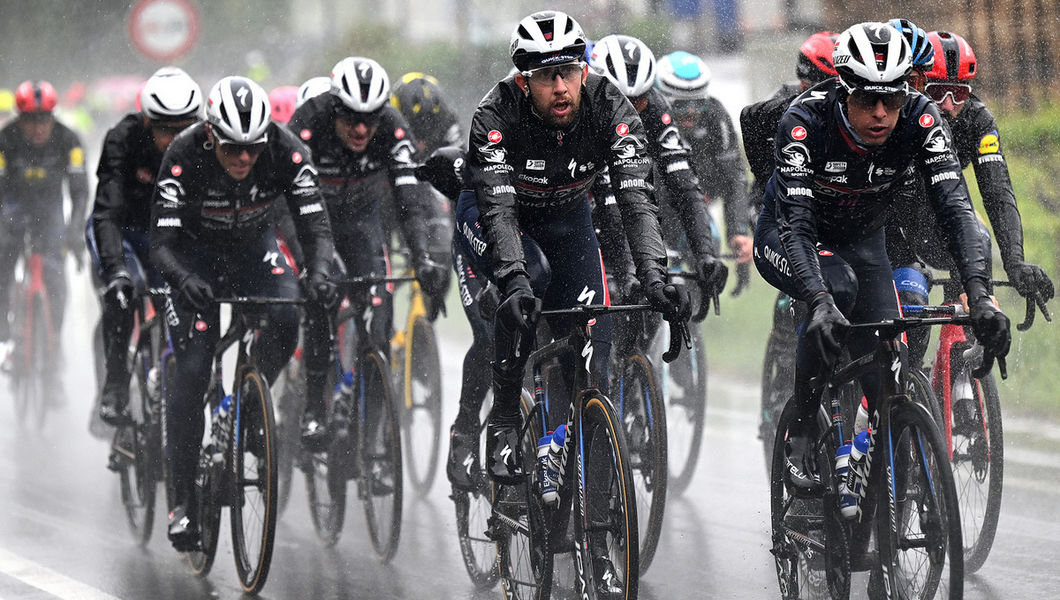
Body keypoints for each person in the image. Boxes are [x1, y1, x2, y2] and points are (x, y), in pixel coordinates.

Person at [456, 11, 689, 591]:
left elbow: (638, 202)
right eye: (545, 76)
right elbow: (500, 212)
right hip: (494, 218)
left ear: (584, 70)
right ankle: (507, 416)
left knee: (595, 362)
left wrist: (655, 277)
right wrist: (509, 281)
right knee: (526, 281)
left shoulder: (612, 107)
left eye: (569, 72)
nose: (560, 87)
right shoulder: (495, 115)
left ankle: (601, 535)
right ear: (523, 80)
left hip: (567, 219)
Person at [752, 22, 1010, 495]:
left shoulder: (923, 117)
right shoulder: (804, 120)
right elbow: (796, 225)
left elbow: (956, 210)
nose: (879, 113)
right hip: (790, 235)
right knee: (837, 289)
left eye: (891, 100)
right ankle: (804, 428)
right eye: (867, 99)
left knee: (890, 361)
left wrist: (982, 295)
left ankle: (877, 500)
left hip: (863, 239)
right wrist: (817, 296)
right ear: (842, 90)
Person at [150, 76, 335, 550]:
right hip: (193, 258)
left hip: (254, 251)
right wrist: (182, 280)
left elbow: (316, 225)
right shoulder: (183, 155)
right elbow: (161, 245)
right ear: (210, 134)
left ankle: (247, 403)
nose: (244, 159)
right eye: (233, 148)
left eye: (252, 149)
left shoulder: (286, 150)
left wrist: (318, 273)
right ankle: (182, 503)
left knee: (291, 315)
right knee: (191, 372)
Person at [288, 57, 448, 450]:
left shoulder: (392, 126)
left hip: (362, 223)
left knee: (378, 324)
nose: (361, 129)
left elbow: (409, 199)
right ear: (334, 109)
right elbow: (283, 198)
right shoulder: (309, 121)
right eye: (351, 119)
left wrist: (424, 257)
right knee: (320, 303)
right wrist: (308, 263)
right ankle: (313, 408)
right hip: (313, 222)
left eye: (370, 120)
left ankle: (368, 434)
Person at [887, 30, 1053, 364]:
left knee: (977, 245)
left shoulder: (978, 119)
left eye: (959, 93)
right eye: (938, 93)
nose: (948, 105)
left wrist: (1015, 261)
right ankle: (900, 389)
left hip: (942, 217)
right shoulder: (902, 115)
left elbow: (997, 192)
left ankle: (966, 362)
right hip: (895, 223)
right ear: (917, 86)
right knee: (911, 312)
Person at [91, 67, 203, 426]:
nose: (174, 139)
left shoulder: (204, 143)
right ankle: (116, 387)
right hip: (121, 229)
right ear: (146, 121)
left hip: (166, 236)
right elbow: (105, 213)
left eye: (182, 128)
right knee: (126, 293)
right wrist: (116, 271)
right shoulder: (122, 139)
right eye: (165, 130)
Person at [587, 34, 728, 306]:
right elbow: (610, 202)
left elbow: (685, 186)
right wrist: (629, 269)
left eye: (637, 101)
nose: (628, 111)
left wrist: (705, 254)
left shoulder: (654, 108)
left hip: (622, 209)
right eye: (619, 100)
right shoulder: (582, 111)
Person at [0, 80, 88, 374]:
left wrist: (75, 230)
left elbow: (79, 192)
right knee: (3, 264)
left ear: (53, 117)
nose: (37, 128)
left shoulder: (68, 140)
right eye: (30, 121)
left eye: (44, 120)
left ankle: (53, 343)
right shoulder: (5, 139)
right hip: (13, 207)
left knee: (56, 277)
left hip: (50, 212)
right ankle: (5, 340)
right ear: (19, 119)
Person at [655, 50, 753, 270]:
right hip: (654, 201)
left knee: (709, 246)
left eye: (698, 103)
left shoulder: (715, 115)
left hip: (696, 198)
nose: (691, 112)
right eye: (680, 105)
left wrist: (737, 231)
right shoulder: (646, 113)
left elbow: (735, 179)